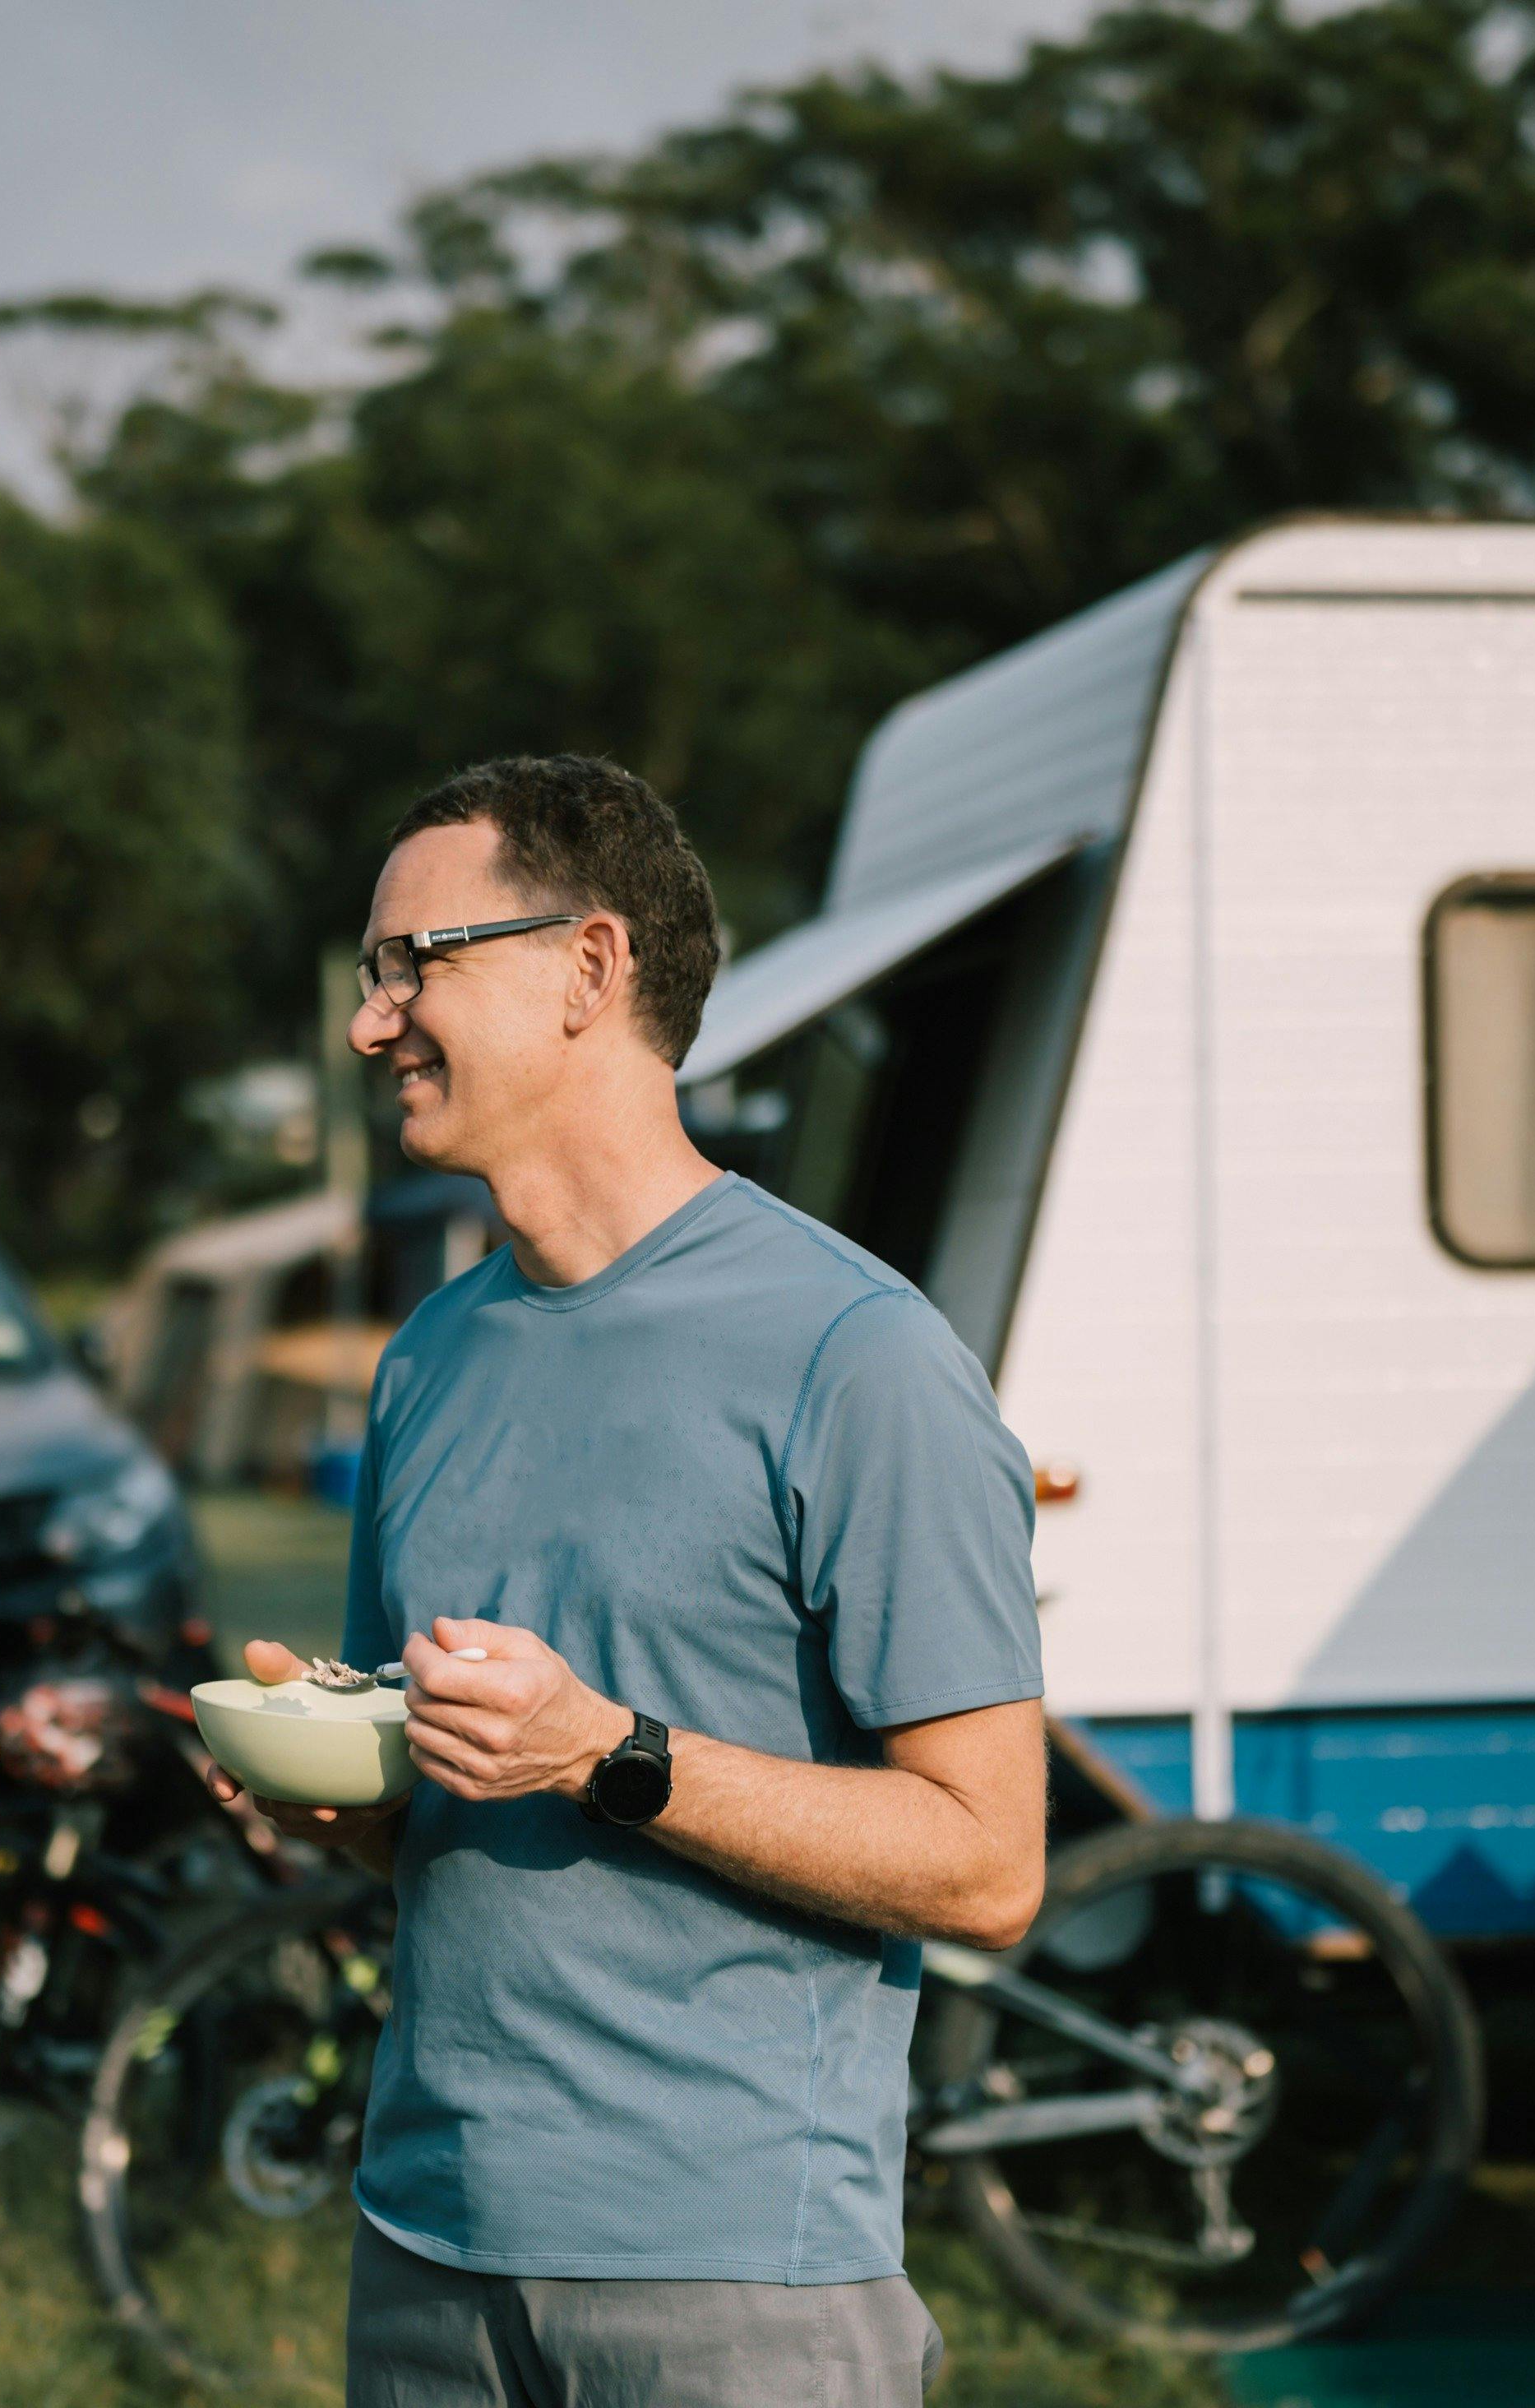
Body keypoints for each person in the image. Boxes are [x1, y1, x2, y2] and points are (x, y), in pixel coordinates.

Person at [207, 755, 1047, 2408]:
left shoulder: (857, 1356)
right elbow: (437, 1813)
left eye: (409, 966)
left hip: (734, 2280)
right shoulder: (430, 1358)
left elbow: (986, 1864)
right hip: (425, 2242)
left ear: (589, 968)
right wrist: (338, 1780)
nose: (371, 1024)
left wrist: (608, 1752)